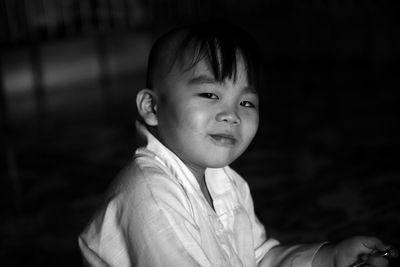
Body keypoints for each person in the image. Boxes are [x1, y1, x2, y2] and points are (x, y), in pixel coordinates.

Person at [78, 21, 397, 267]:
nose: (231, 114)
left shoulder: (225, 181)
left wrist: (328, 257)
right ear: (151, 107)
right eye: (210, 95)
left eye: (246, 102)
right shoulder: (149, 194)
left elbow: (254, 258)